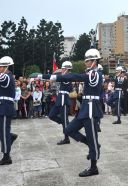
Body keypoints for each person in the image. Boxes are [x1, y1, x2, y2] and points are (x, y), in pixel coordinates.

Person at [38, 49, 103, 177]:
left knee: (92, 136)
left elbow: (75, 77)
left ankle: (93, 167)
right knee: (69, 130)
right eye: (86, 60)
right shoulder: (90, 73)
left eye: (88, 60)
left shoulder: (95, 74)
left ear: (94, 61)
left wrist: (49, 76)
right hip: (85, 107)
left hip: (91, 108)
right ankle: (92, 144)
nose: (86, 63)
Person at [42, 61, 73, 145]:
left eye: (63, 68)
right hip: (60, 99)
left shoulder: (68, 77)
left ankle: (67, 138)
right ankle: (65, 123)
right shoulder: (63, 76)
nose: (61, 70)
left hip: (64, 100)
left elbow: (69, 87)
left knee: (65, 120)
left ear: (67, 69)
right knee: (51, 115)